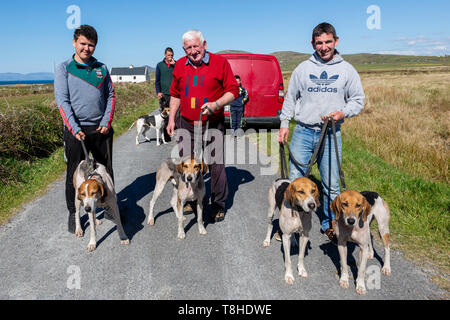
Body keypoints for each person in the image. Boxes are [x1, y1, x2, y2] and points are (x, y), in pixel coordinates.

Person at [278, 22, 365, 245]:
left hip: (331, 133)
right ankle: (290, 223)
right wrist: (285, 123)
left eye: (328, 42)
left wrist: (343, 112)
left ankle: (330, 225)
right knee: (294, 182)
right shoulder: (303, 69)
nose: (324, 47)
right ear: (313, 44)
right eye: (319, 43)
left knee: (331, 184)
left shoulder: (347, 70)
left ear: (336, 41)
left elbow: (357, 100)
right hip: (304, 132)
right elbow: (290, 97)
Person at [166, 29, 239, 222]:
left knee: (215, 166)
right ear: (184, 50)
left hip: (212, 124)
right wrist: (172, 118)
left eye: (196, 46)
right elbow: (175, 94)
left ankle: (218, 204)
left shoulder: (220, 63)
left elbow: (234, 91)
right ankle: (191, 199)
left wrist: (216, 105)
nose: (193, 51)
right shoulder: (180, 65)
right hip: (186, 123)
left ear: (204, 45)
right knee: (188, 165)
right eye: (188, 48)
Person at [54, 25, 116, 234]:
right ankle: (74, 213)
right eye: (83, 43)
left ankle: (109, 207)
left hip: (101, 130)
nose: (87, 48)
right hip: (76, 130)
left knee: (105, 171)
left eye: (91, 45)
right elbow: (62, 101)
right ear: (74, 42)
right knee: (75, 174)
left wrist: (106, 122)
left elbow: (110, 96)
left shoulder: (102, 68)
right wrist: (73, 127)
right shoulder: (64, 68)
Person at [155, 47, 176, 141]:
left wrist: (175, 65)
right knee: (165, 115)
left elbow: (182, 73)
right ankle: (166, 136)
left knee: (176, 114)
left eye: (171, 55)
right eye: (168, 55)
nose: (170, 57)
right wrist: (158, 92)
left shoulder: (176, 64)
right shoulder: (159, 65)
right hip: (164, 95)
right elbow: (157, 81)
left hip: (175, 94)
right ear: (164, 55)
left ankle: (177, 133)